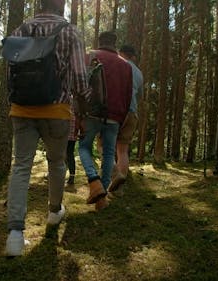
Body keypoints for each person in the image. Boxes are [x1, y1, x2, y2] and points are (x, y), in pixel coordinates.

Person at [5, 0, 90, 257]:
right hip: (57, 110)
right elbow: (79, 78)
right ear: (61, 6)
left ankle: (15, 235)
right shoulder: (70, 32)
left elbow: (11, 71)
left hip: (21, 109)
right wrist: (83, 111)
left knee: (21, 166)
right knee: (57, 162)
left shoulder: (20, 31)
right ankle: (54, 212)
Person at [78, 31, 132, 211]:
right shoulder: (125, 65)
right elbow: (128, 95)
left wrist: (79, 114)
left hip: (92, 113)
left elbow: (80, 86)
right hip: (115, 116)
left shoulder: (89, 57)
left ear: (99, 41)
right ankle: (101, 200)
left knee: (84, 147)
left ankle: (95, 183)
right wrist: (122, 118)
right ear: (115, 43)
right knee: (109, 153)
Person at [108, 45, 144, 195]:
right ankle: (119, 188)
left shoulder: (118, 64)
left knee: (104, 147)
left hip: (116, 111)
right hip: (132, 112)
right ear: (134, 56)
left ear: (120, 53)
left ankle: (116, 175)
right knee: (123, 150)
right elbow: (140, 96)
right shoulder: (139, 73)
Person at [66, 102, 79, 185]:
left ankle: (53, 174)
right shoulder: (77, 100)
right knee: (70, 154)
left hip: (64, 131)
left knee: (59, 154)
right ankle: (72, 176)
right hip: (74, 132)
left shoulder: (66, 98)